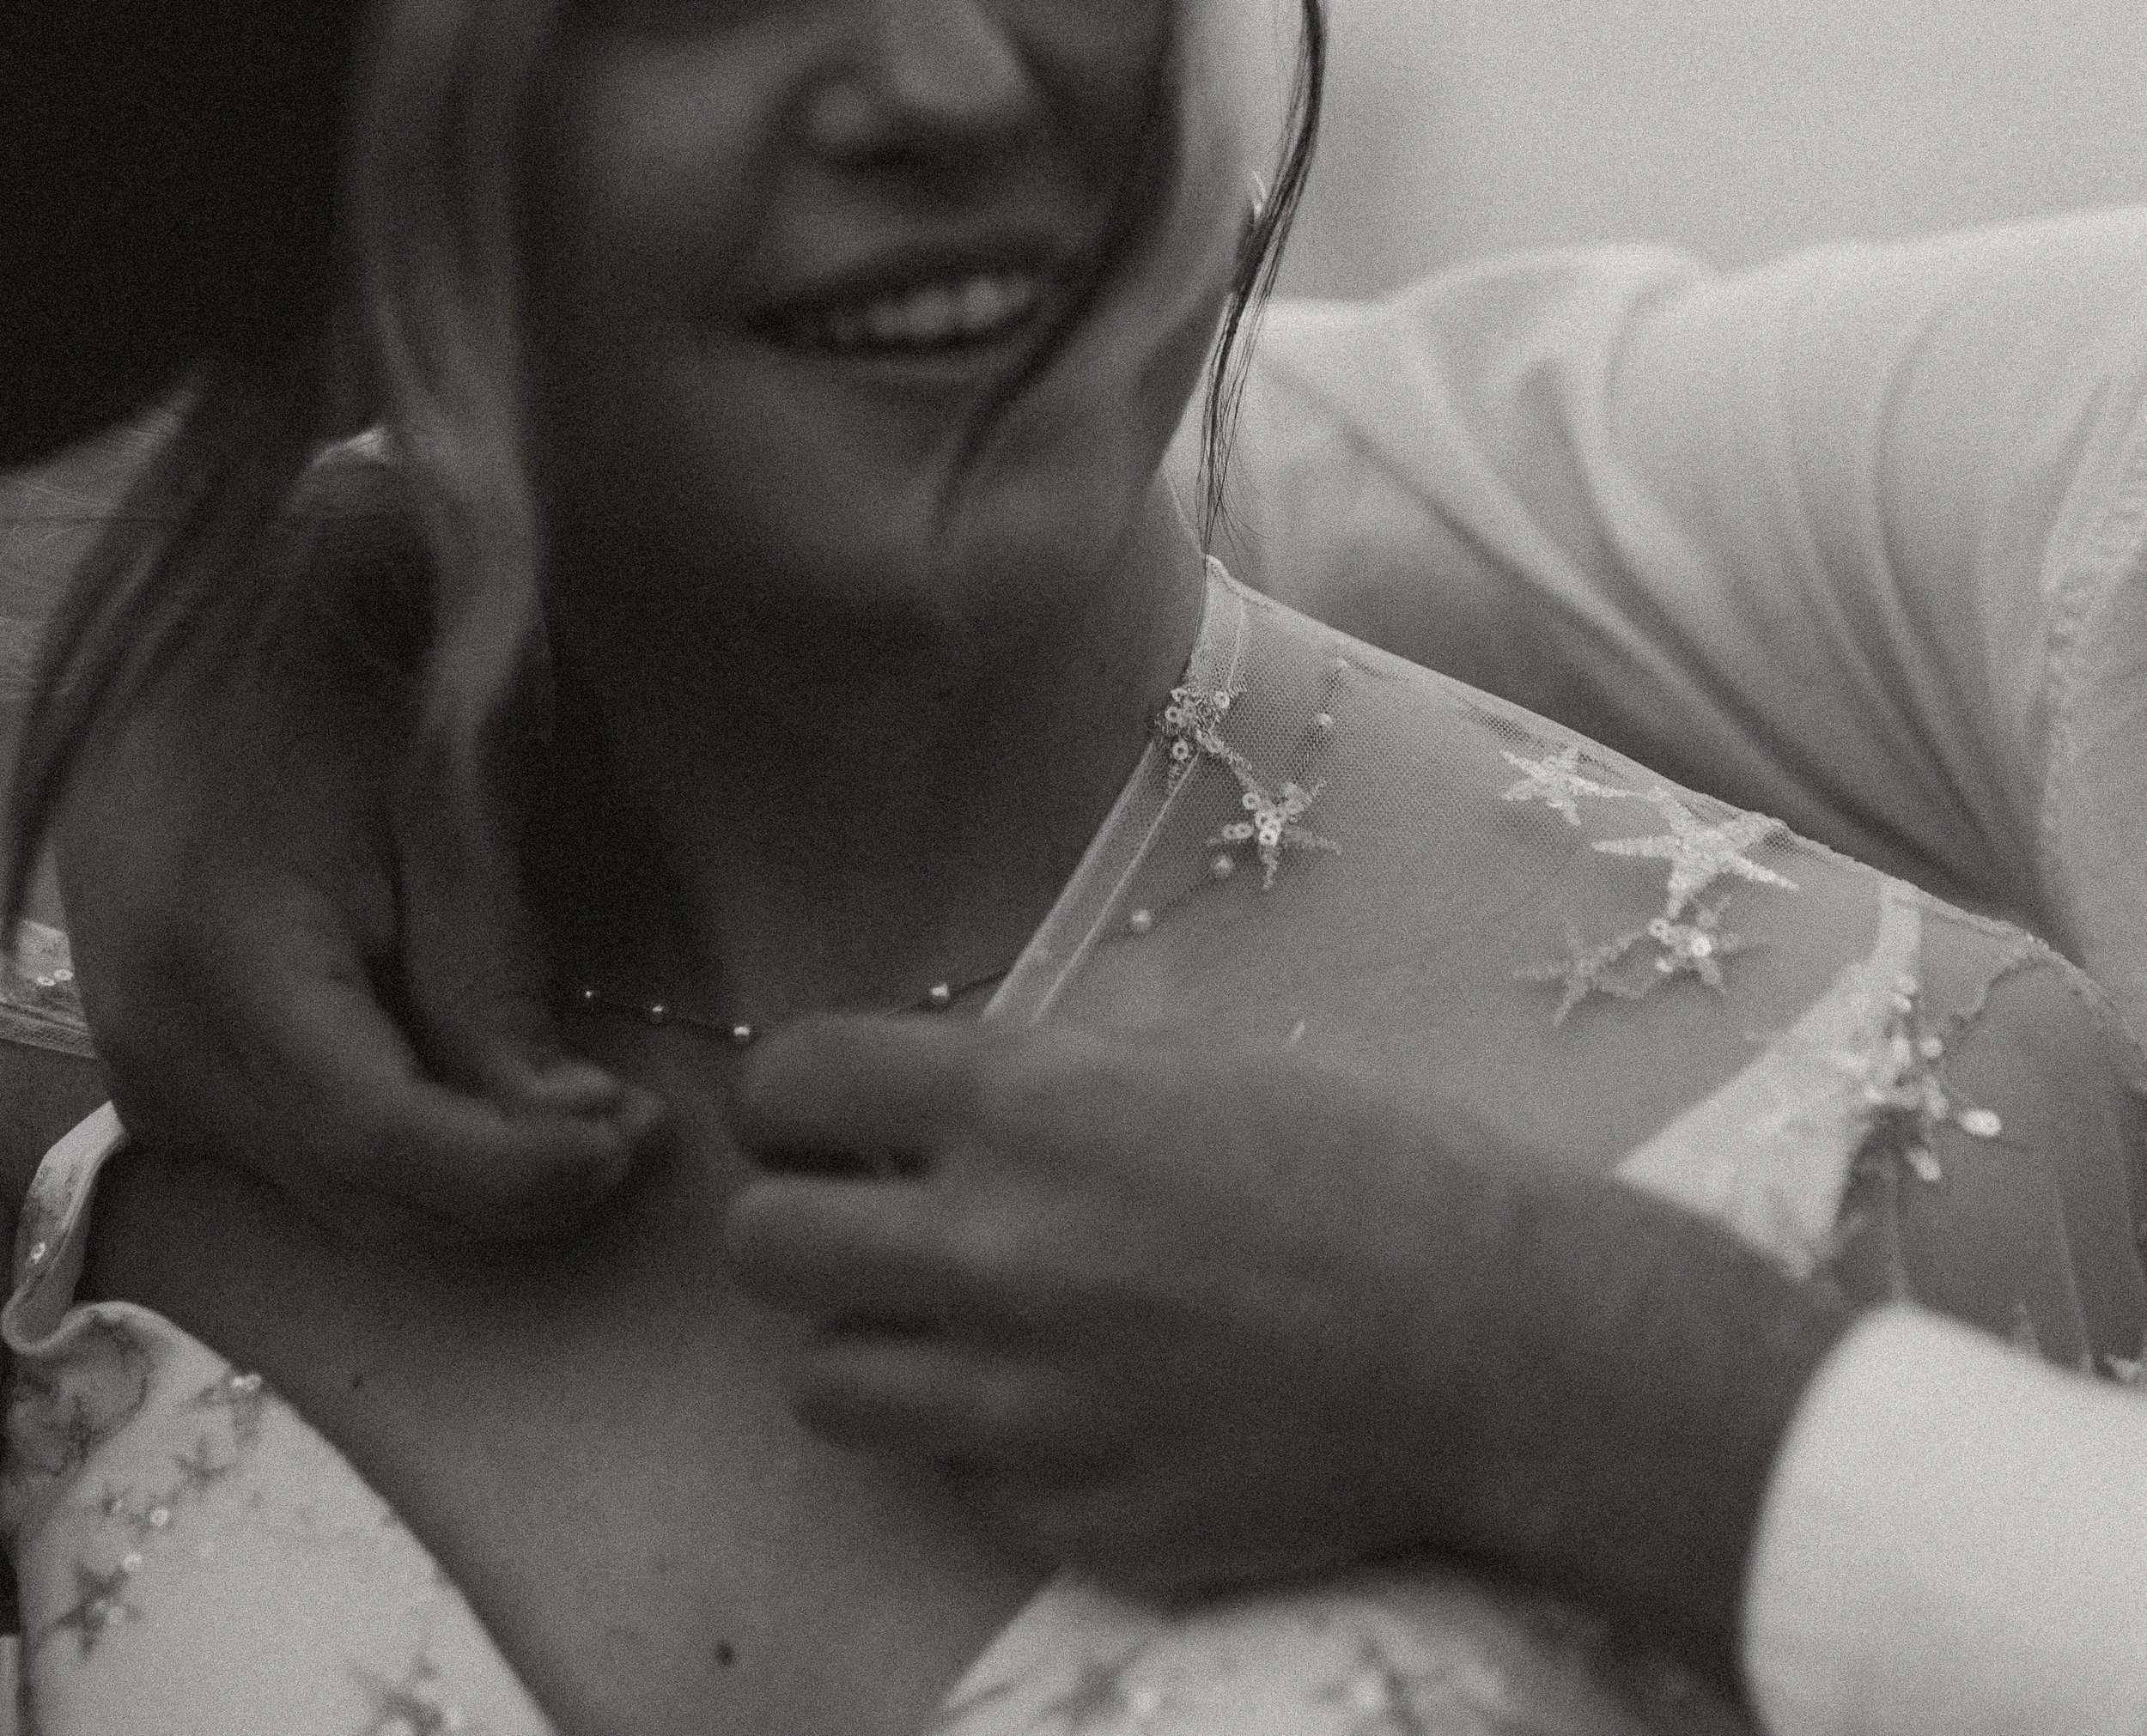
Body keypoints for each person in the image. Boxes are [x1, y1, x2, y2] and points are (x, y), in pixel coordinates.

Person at [4, 5, 2147, 1735]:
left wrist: (1591, 1394)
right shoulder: (144, 1099)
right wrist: (284, 560)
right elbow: (1396, 446)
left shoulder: (1897, 1114)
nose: (949, 76)